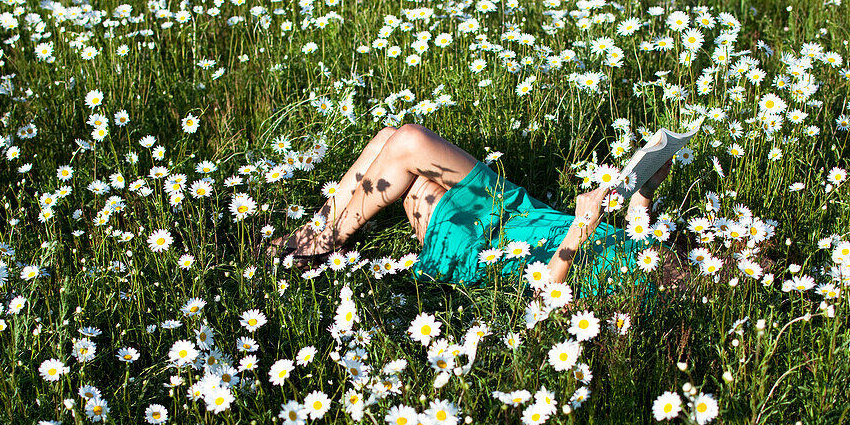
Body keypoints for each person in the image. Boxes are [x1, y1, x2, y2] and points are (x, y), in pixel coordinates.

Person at [268, 124, 675, 299]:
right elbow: (641, 238)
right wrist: (645, 192)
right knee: (394, 140)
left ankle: (315, 247)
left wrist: (578, 232)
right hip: (522, 210)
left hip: (493, 250)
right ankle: (318, 230)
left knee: (414, 178)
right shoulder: (662, 266)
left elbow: (543, 300)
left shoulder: (638, 300)